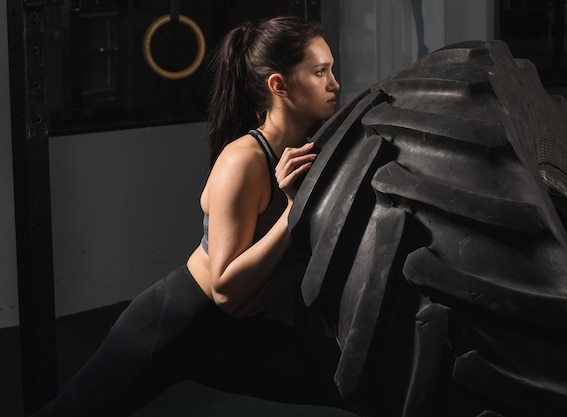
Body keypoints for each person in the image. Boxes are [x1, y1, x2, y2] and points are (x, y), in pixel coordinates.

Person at [30, 15, 345, 417]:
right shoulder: (243, 161)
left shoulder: (306, 154)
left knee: (350, 379)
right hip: (177, 324)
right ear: (279, 85)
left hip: (239, 337)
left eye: (331, 69)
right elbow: (225, 290)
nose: (333, 82)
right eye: (320, 72)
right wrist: (292, 213)